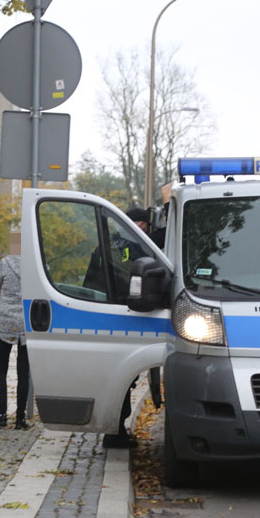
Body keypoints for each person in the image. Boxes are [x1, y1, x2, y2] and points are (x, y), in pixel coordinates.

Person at [102, 187, 171, 449]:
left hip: (108, 314)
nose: (144, 228)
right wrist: (168, 208)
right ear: (137, 224)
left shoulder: (111, 243)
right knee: (123, 380)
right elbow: (162, 240)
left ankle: (115, 430)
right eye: (142, 223)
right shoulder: (132, 246)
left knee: (121, 380)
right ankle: (114, 432)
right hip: (123, 316)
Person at [0, 232, 31, 430]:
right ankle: (20, 417)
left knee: (1, 369)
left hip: (4, 319)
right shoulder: (35, 265)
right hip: (25, 321)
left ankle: (2, 413)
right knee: (24, 371)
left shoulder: (5, 263)